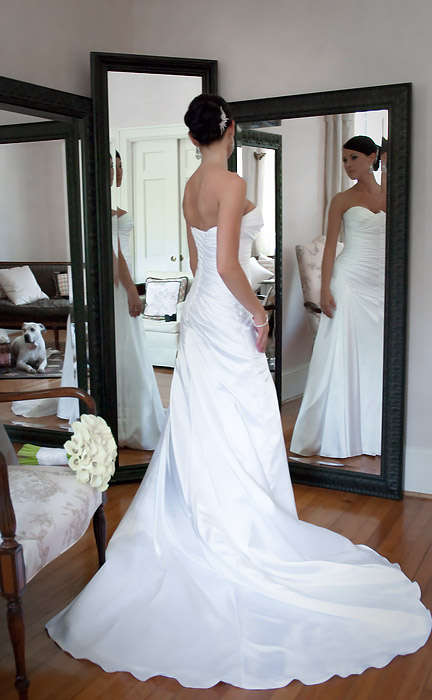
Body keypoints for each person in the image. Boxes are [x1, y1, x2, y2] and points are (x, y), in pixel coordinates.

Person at [46, 100, 431, 690]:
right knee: (244, 417)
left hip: (198, 316)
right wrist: (259, 316)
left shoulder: (190, 183)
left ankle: (208, 516)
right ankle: (241, 525)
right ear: (228, 129)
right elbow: (227, 266)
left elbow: (204, 261)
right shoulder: (230, 180)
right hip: (225, 310)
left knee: (207, 419)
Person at [291, 135, 386, 459]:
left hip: (383, 285)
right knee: (343, 354)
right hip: (349, 281)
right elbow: (331, 246)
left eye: (354, 158)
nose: (347, 165)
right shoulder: (342, 199)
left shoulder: (393, 192)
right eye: (344, 159)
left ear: (373, 157)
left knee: (377, 357)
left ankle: (374, 430)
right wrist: (325, 288)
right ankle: (338, 432)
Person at [110, 154, 165, 450]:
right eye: (111, 166)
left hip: (125, 278)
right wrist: (131, 290)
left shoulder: (113, 205)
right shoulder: (101, 208)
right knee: (124, 345)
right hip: (117, 284)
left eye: (119, 166)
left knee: (129, 345)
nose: (118, 171)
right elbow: (114, 254)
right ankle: (125, 416)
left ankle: (132, 409)